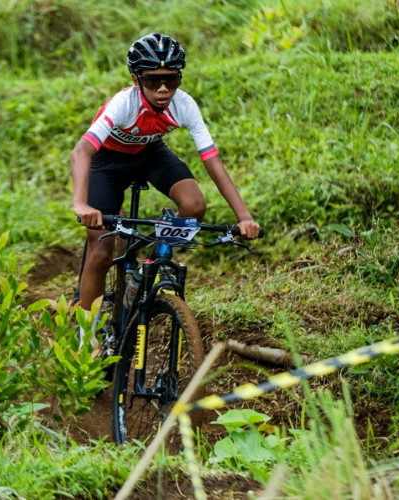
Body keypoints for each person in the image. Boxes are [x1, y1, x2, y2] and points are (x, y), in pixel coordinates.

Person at [70, 32, 261, 320]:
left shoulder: (183, 104)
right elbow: (81, 152)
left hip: (149, 153)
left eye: (171, 80)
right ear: (136, 80)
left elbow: (212, 160)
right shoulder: (124, 103)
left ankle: (150, 262)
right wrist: (81, 204)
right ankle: (86, 340)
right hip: (106, 163)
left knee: (194, 206)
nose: (163, 89)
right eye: (152, 80)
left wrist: (244, 216)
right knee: (100, 251)